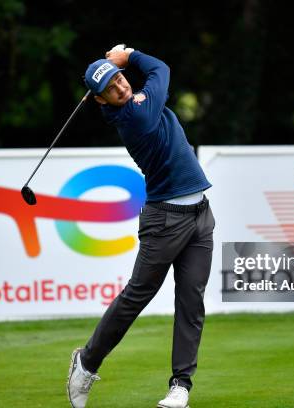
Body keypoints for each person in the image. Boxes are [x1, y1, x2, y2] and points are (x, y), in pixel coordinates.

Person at [66, 45, 215, 408]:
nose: (120, 87)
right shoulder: (135, 116)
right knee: (137, 296)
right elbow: (161, 67)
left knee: (191, 301)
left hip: (200, 214)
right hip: (165, 220)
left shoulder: (137, 101)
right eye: (111, 88)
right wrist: (127, 54)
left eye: (119, 79)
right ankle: (86, 362)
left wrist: (117, 66)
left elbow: (152, 77)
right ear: (101, 101)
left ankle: (180, 385)